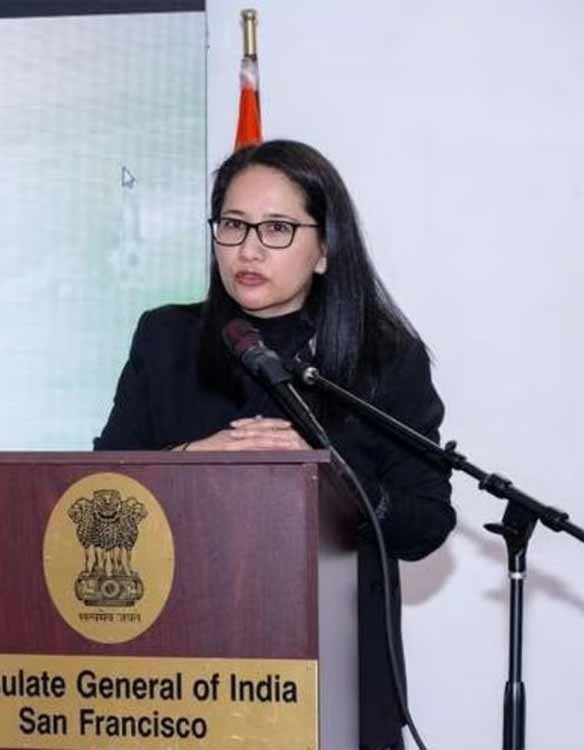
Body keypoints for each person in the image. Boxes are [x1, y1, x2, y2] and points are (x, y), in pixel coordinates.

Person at [94, 140, 456, 750]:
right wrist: (186, 462)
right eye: (233, 225)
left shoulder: (384, 359)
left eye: (278, 228)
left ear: (325, 249)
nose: (249, 249)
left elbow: (426, 523)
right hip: (180, 677)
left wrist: (330, 475)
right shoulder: (166, 338)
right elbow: (99, 489)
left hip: (336, 675)